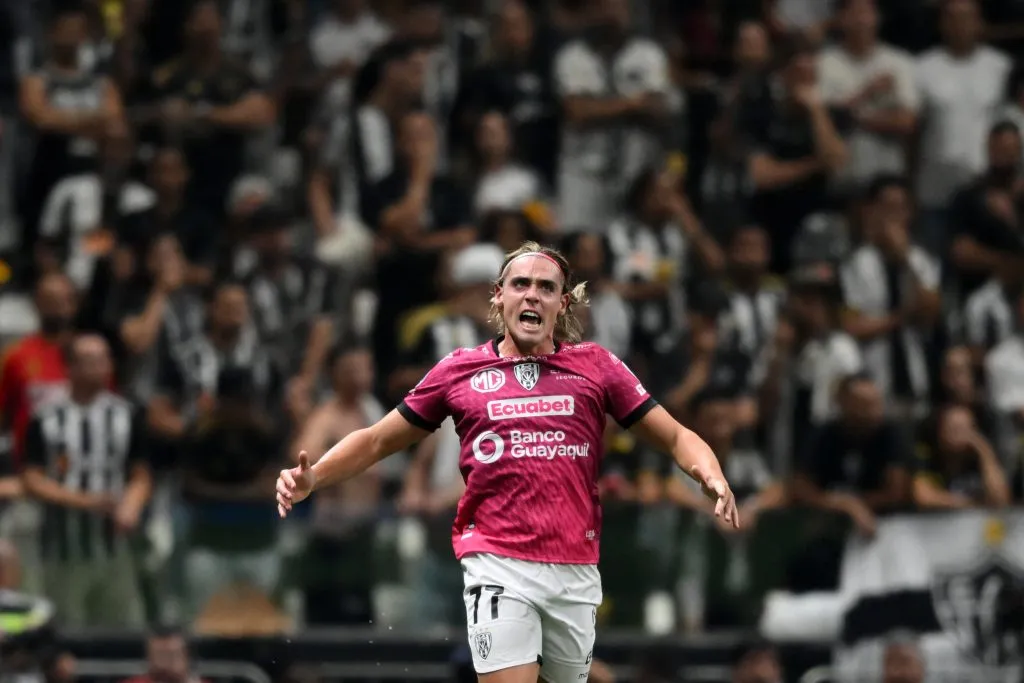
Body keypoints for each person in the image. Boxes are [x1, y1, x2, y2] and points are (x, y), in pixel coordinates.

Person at [276, 241, 738, 683]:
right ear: (499, 297)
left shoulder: (597, 367)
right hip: (496, 562)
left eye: (546, 287)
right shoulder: (458, 370)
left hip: (575, 568)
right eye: (520, 284)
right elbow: (377, 441)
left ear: (563, 306)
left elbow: (676, 435)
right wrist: (315, 477)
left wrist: (711, 472)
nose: (532, 294)